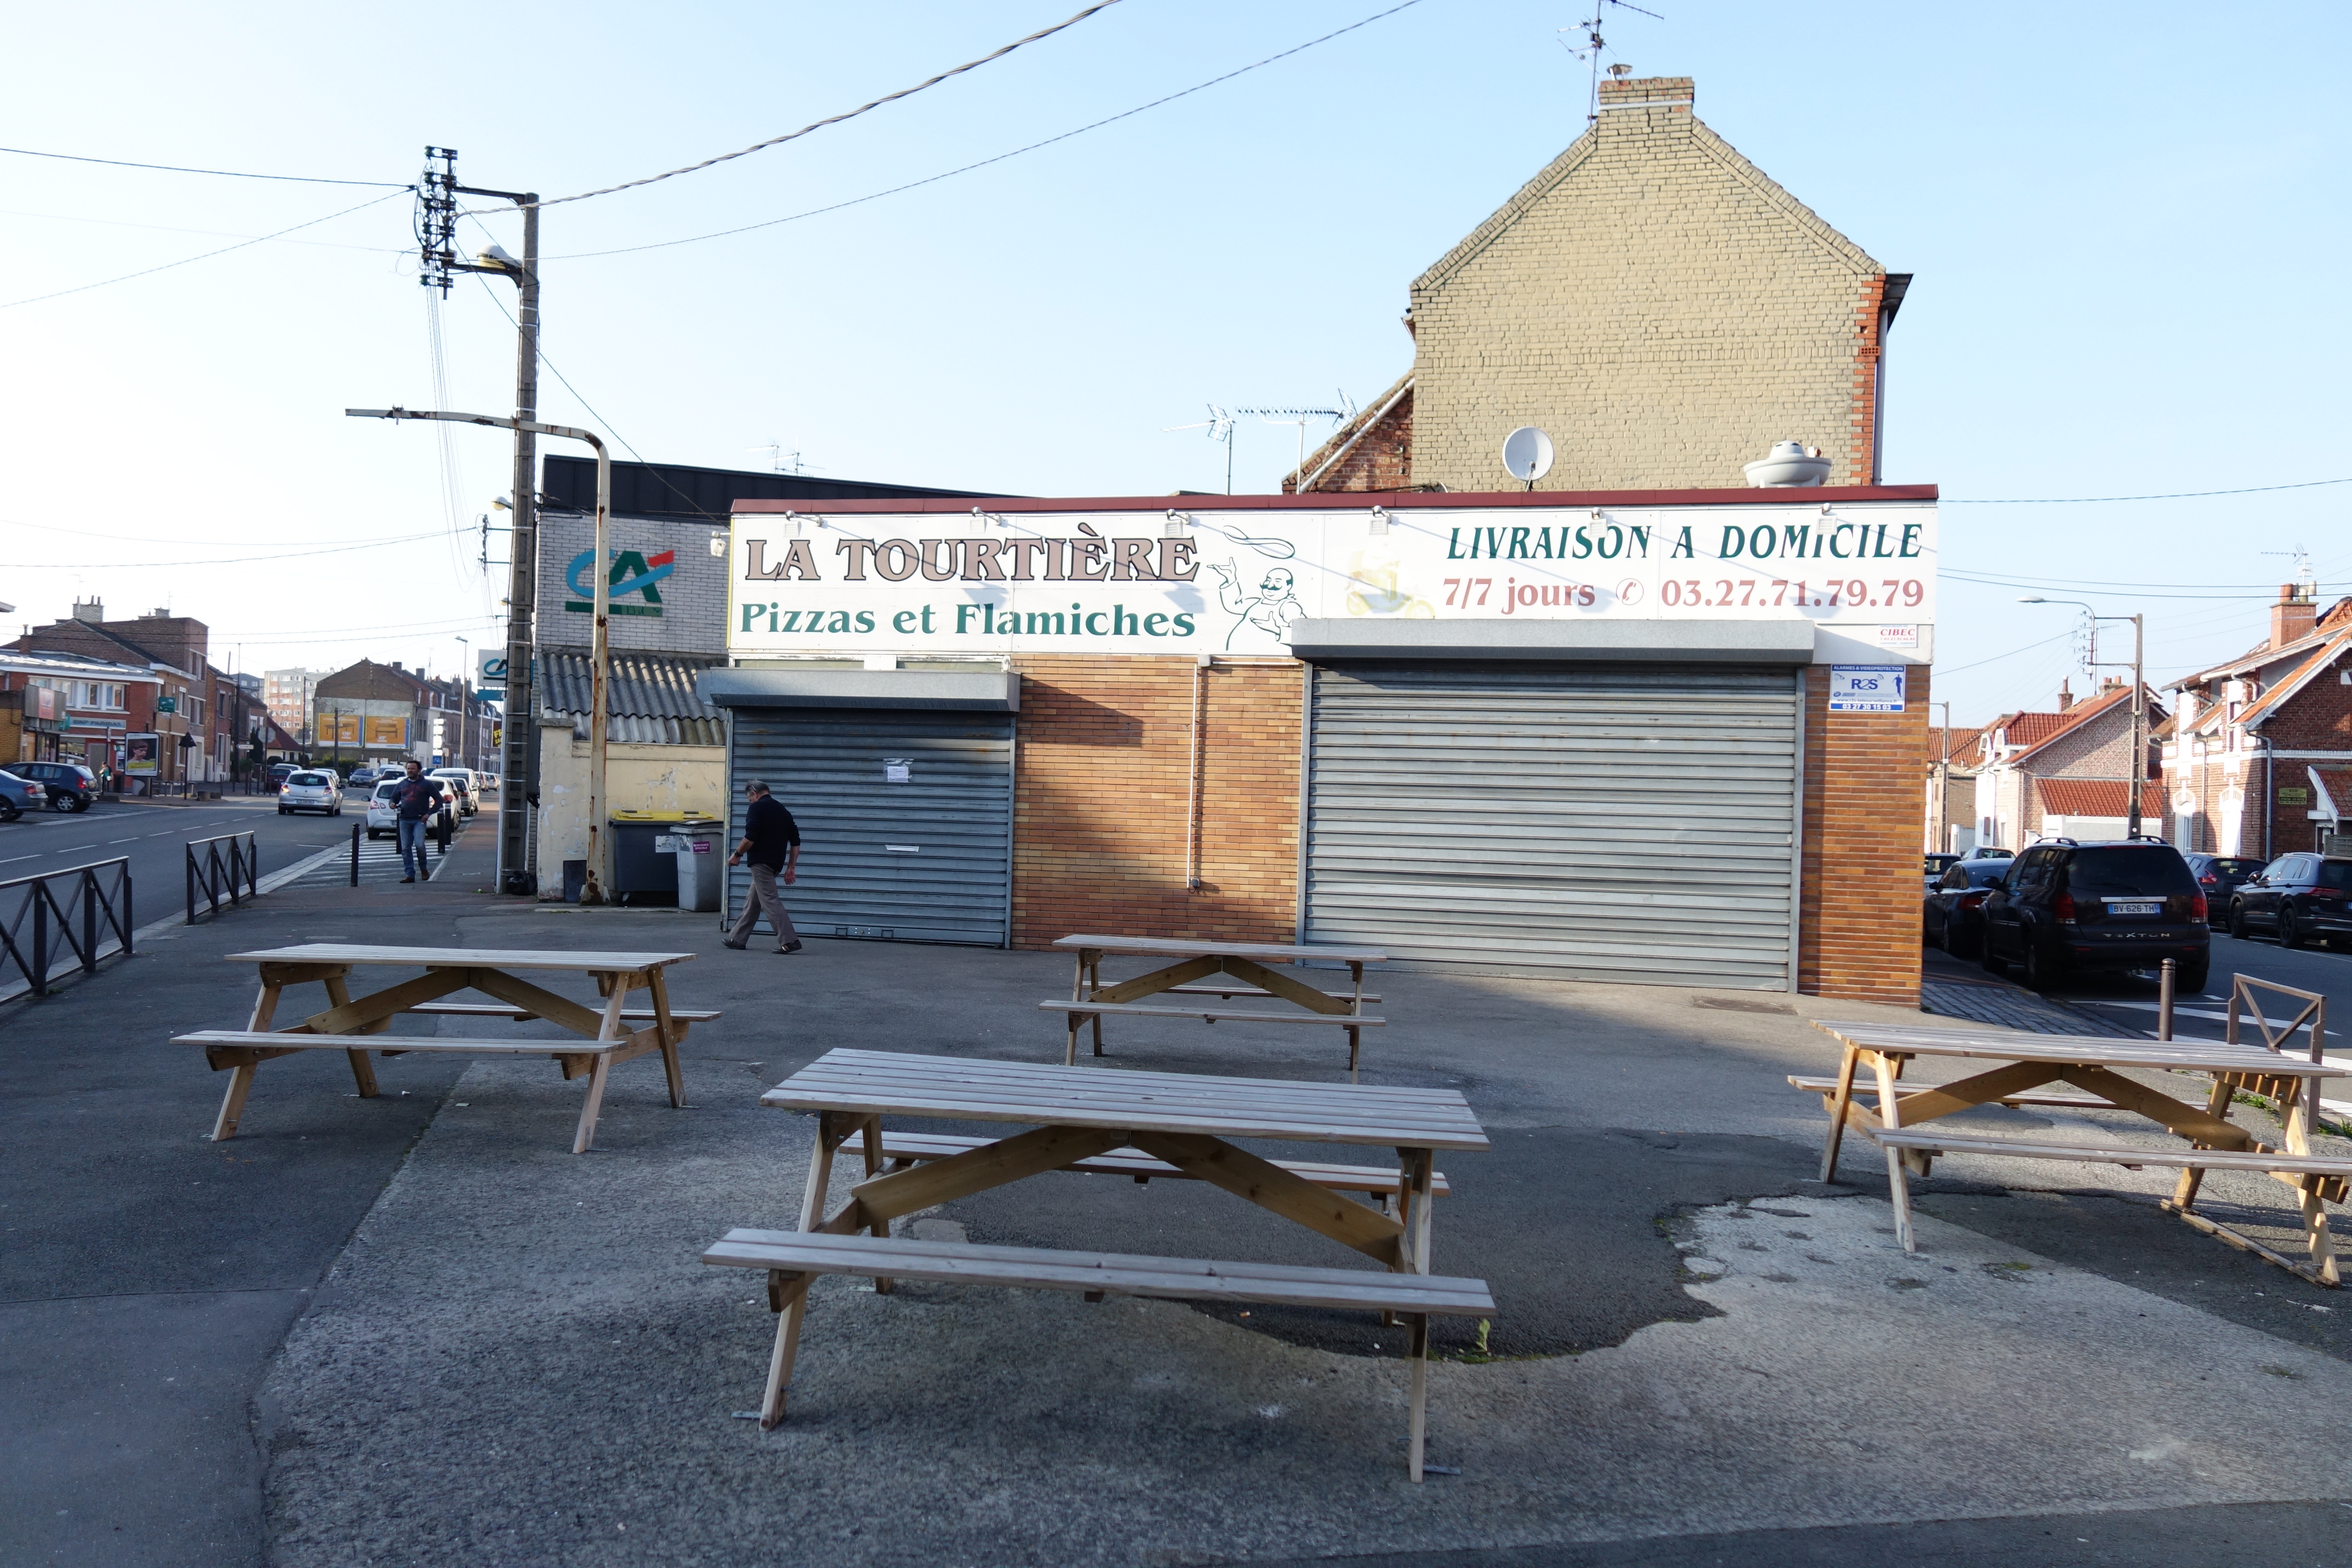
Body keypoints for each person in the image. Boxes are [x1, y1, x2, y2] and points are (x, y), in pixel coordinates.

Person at [724, 779, 802, 953]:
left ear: (754, 793)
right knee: (753, 902)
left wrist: (737, 855)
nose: (750, 802)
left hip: (761, 863)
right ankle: (738, 939)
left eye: (750, 799)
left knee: (770, 901)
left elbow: (750, 836)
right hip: (775, 864)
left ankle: (790, 941)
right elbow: (796, 842)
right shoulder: (783, 811)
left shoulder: (756, 808)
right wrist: (791, 867)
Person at [383, 758, 445, 884]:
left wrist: (429, 814)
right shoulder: (402, 784)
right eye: (408, 769)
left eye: (413, 769)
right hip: (404, 819)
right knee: (406, 848)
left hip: (419, 819)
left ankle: (424, 869)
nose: (410, 771)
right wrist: (392, 804)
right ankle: (410, 874)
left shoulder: (426, 784)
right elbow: (393, 798)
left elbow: (439, 799)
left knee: (419, 845)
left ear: (419, 770)